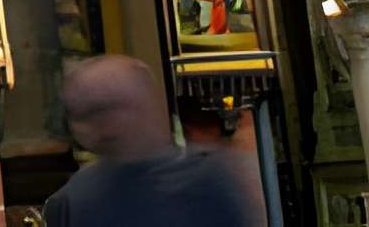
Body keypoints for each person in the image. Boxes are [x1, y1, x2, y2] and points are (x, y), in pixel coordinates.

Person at [42, 54, 254, 227]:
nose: (107, 126)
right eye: (88, 114)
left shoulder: (214, 179)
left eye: (112, 108)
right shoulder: (73, 200)